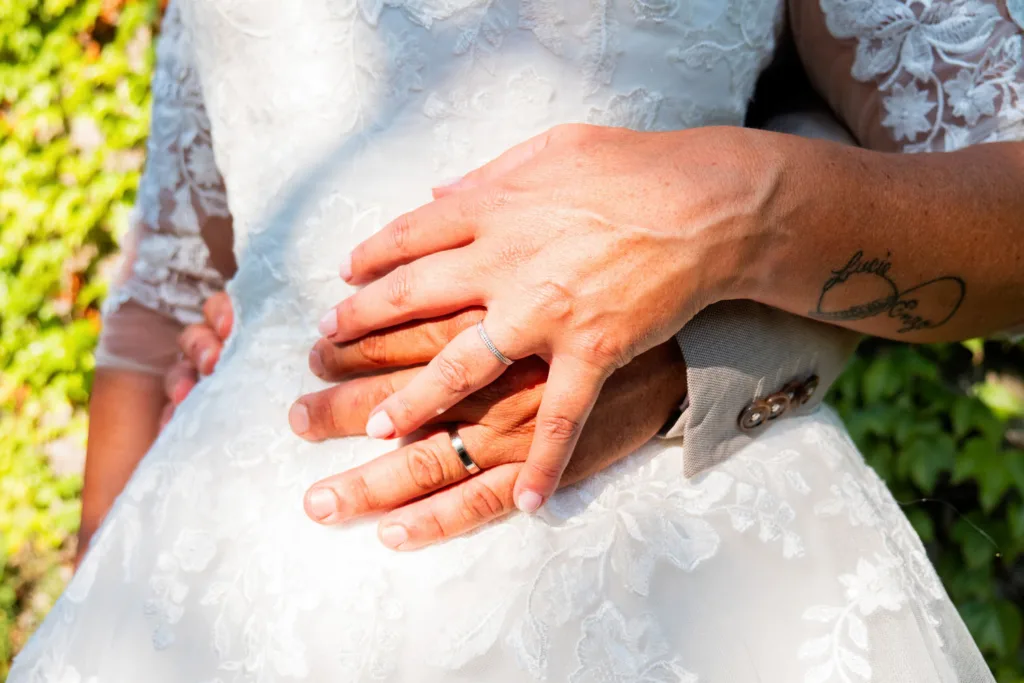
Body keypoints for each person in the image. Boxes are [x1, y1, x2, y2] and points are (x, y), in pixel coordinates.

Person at [11, 0, 1023, 680]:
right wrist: (118, 580)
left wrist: (735, 207)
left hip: (672, 575)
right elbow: (161, 303)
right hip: (220, 590)